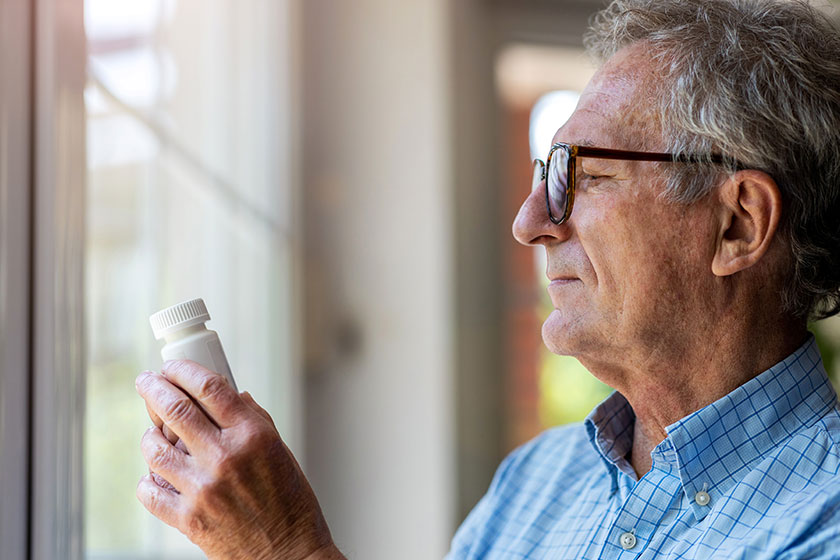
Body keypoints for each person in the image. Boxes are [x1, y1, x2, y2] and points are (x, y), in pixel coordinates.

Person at [135, 0, 840, 557]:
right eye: (544, 175)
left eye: (583, 175)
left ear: (739, 225)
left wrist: (286, 551)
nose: (531, 221)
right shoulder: (534, 486)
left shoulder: (823, 518)